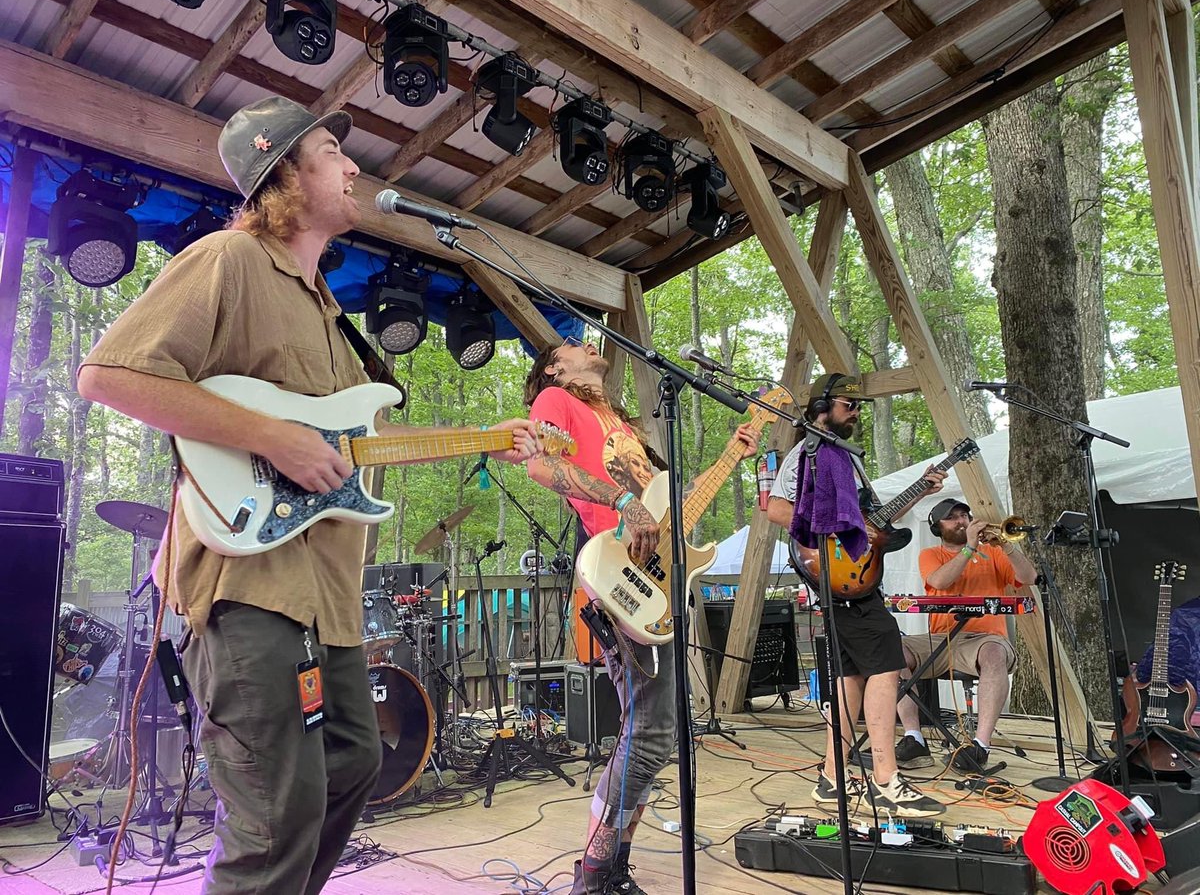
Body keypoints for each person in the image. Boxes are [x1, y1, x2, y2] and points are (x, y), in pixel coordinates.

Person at [76, 96, 540, 895]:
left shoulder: (329, 309)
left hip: (326, 597)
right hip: (247, 582)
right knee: (270, 814)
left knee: (356, 758)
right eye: (332, 151)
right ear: (284, 172)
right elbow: (108, 375)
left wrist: (493, 437)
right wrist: (270, 437)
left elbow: (340, 443)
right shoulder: (229, 260)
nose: (355, 166)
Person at [523, 335, 759, 895]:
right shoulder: (558, 403)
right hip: (615, 577)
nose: (586, 341)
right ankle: (596, 871)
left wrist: (732, 452)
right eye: (569, 344)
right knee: (650, 732)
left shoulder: (623, 428)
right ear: (556, 368)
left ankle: (610, 868)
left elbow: (673, 506)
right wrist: (622, 501)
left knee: (653, 732)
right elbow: (540, 468)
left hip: (653, 583)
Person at [765, 372, 945, 818]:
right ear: (823, 405)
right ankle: (886, 780)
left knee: (851, 681)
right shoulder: (805, 453)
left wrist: (923, 486)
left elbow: (872, 523)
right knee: (887, 667)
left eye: (859, 406)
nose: (857, 413)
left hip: (857, 579)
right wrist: (832, 534)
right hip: (842, 580)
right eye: (850, 404)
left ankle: (832, 779)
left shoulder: (845, 458)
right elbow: (776, 508)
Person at [894, 498, 1036, 773]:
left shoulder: (994, 554)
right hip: (940, 639)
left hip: (985, 639)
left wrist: (1006, 545)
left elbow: (1029, 577)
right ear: (937, 527)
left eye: (964, 515)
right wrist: (970, 547)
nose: (961, 521)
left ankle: (980, 745)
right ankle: (914, 738)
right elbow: (938, 581)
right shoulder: (930, 554)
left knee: (994, 653)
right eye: (952, 518)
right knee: (891, 649)